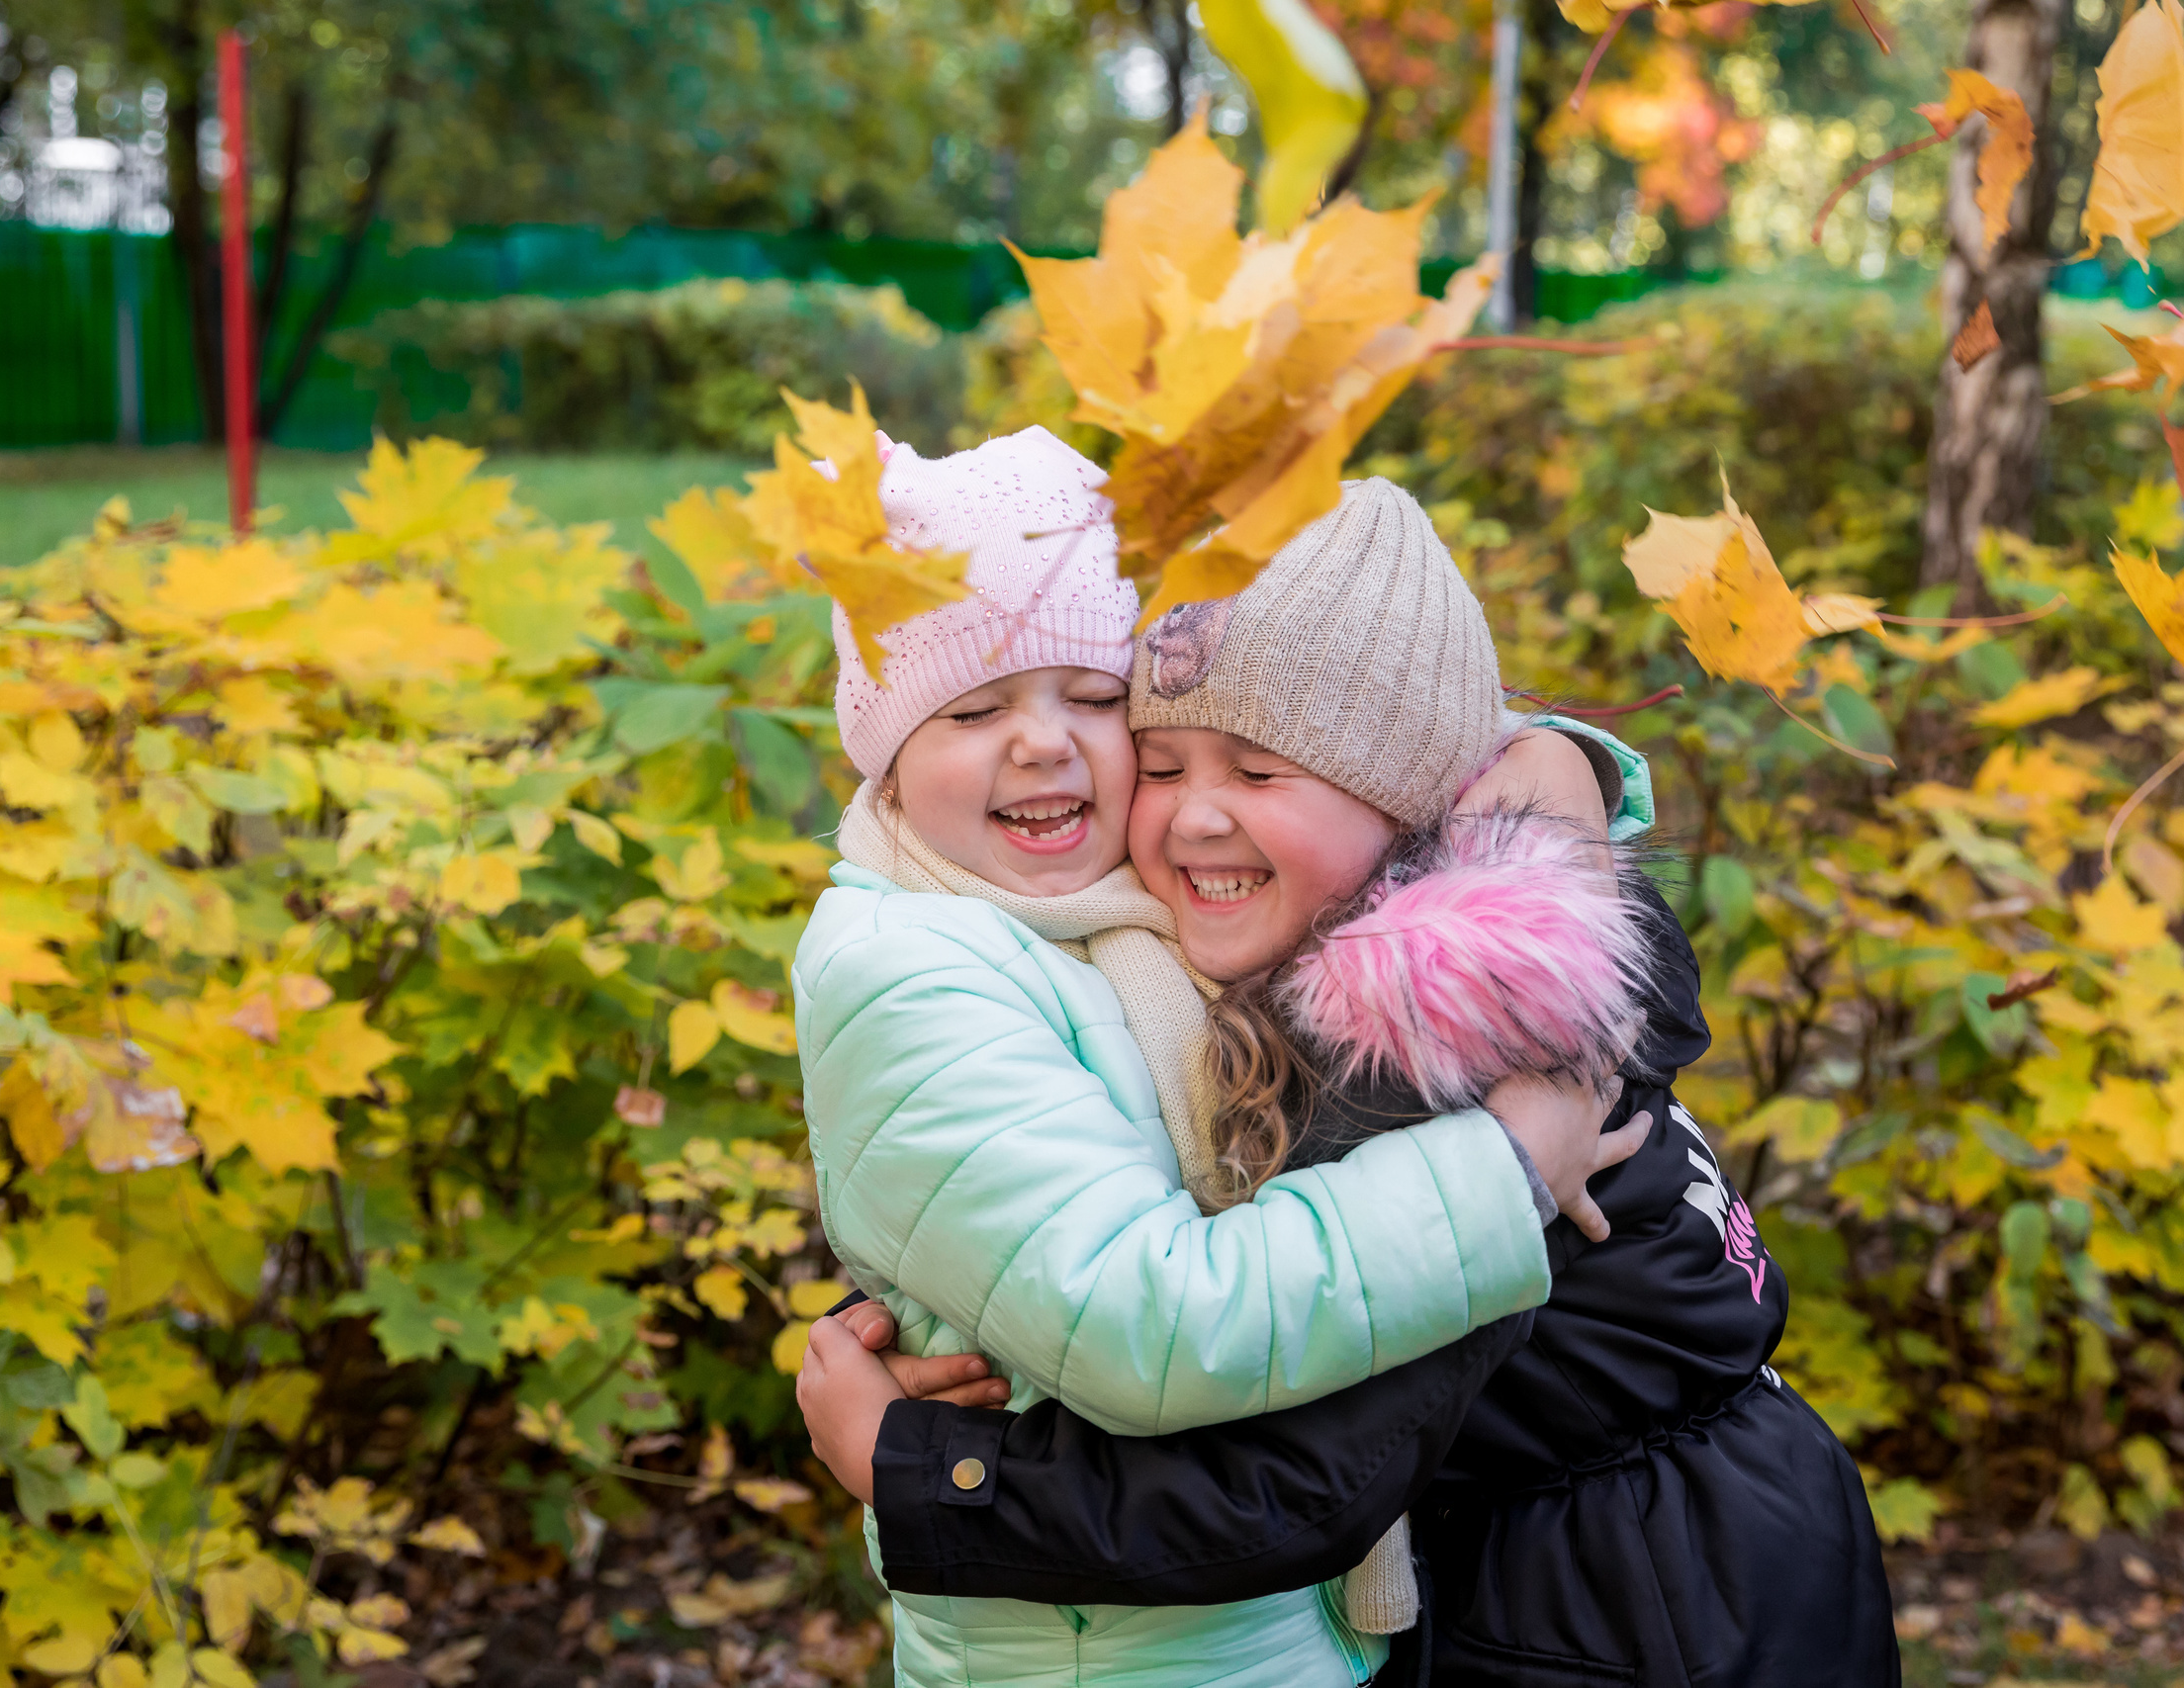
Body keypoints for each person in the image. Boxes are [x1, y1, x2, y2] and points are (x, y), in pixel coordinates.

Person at [798, 477, 1903, 1688]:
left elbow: (1284, 1485)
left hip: (1633, 1602)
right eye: (1162, 763)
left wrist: (913, 1467)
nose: (1192, 817)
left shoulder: (1436, 1047)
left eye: (1261, 773)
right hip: (1646, 1545)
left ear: (1407, 793)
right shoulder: (1452, 923)